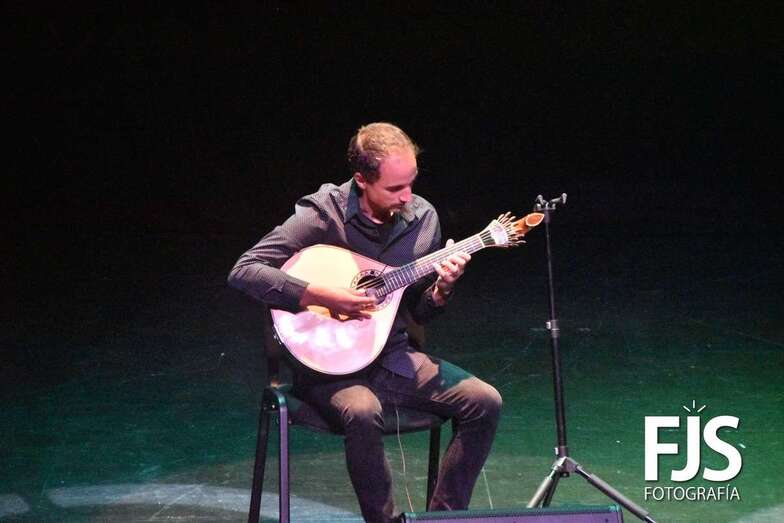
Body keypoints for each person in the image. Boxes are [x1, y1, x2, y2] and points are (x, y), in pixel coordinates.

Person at [228, 122, 502, 523]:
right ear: (361, 180)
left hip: (391, 357)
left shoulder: (422, 219)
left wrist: (442, 289)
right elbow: (245, 270)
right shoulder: (323, 213)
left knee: (484, 401)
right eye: (395, 188)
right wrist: (321, 295)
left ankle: (444, 519)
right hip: (327, 369)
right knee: (362, 410)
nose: (407, 197)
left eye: (411, 184)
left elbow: (418, 310)